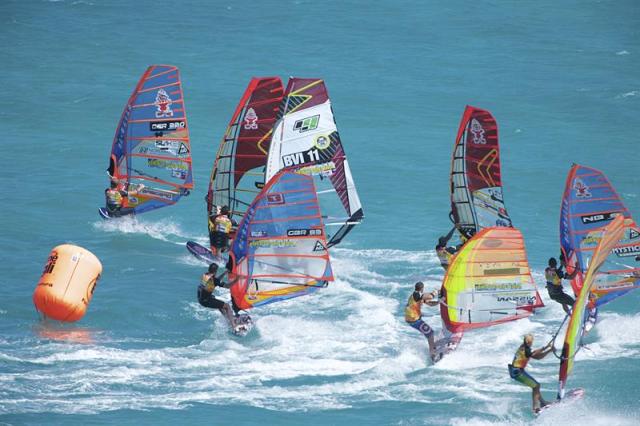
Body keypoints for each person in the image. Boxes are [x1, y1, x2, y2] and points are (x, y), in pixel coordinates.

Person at [508, 334, 553, 413]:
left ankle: (543, 403)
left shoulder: (524, 347)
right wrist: (547, 349)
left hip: (517, 371)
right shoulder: (526, 349)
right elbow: (536, 355)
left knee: (535, 385)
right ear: (529, 342)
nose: (532, 343)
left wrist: (547, 348)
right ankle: (535, 408)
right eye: (532, 342)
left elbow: (536, 355)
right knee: (536, 386)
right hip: (517, 372)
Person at [197, 263, 240, 329]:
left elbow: (216, 280)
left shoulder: (205, 275)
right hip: (206, 301)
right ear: (216, 271)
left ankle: (229, 319)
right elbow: (227, 286)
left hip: (201, 298)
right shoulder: (214, 280)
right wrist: (237, 280)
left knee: (220, 305)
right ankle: (234, 326)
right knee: (227, 306)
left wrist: (225, 273)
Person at [405, 281, 440, 361]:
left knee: (430, 333)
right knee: (430, 333)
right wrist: (436, 292)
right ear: (422, 288)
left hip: (412, 319)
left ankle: (432, 347)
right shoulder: (416, 294)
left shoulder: (418, 297)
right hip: (413, 320)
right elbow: (430, 296)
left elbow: (430, 303)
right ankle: (433, 354)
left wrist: (439, 302)